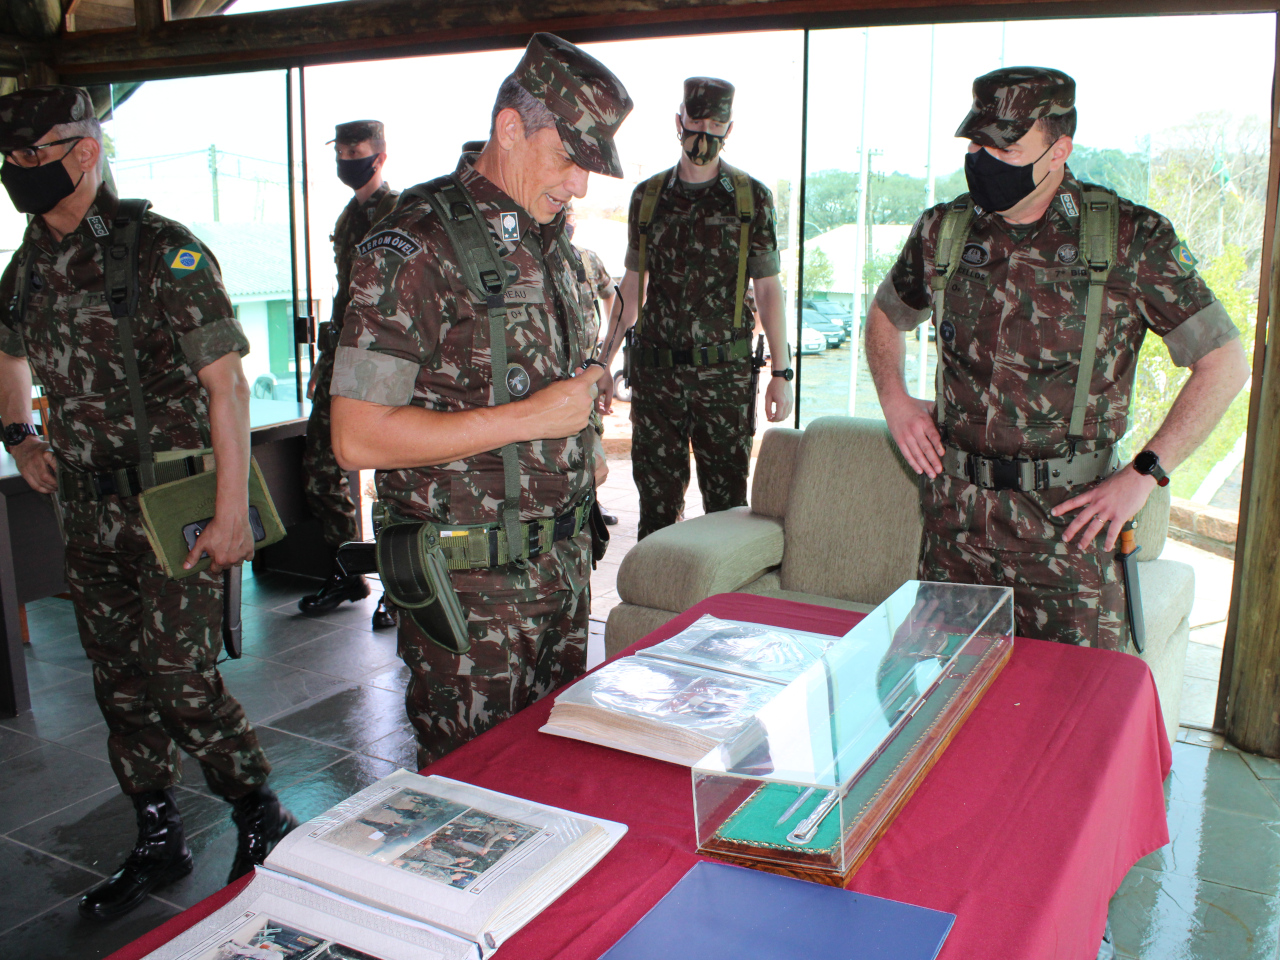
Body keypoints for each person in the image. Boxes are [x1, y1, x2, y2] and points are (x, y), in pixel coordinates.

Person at [0, 85, 296, 920]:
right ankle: (158, 835)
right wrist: (21, 436)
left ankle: (260, 810)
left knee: (182, 681)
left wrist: (234, 508)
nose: (18, 171)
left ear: (84, 152)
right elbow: (7, 354)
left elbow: (227, 385)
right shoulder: (27, 264)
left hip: (176, 506)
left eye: (33, 154)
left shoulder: (161, 252)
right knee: (121, 685)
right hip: (87, 514)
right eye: (10, 159)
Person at [865, 66, 1250, 653]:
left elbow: (1225, 361)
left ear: (1059, 149)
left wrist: (1145, 473)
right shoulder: (943, 230)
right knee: (940, 715)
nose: (984, 157)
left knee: (1071, 723)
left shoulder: (1128, 238)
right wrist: (894, 399)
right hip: (955, 531)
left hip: (1068, 541)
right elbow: (886, 316)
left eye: (1006, 145)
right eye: (976, 143)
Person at [329, 33, 631, 766]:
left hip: (560, 575)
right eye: (569, 159)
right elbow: (357, 437)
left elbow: (544, 384)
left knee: (556, 786)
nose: (581, 185)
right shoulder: (415, 242)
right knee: (473, 804)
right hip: (470, 595)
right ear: (509, 129)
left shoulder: (552, 241)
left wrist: (578, 437)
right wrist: (538, 418)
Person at [597, 77, 794, 541]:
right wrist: (601, 364)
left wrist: (781, 375)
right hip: (656, 381)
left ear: (730, 129)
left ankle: (720, 612)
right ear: (678, 121)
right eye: (696, 121)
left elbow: (768, 291)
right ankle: (659, 611)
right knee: (656, 517)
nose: (703, 133)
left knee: (726, 516)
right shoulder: (648, 198)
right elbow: (631, 288)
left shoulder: (750, 198)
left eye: (715, 123)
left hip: (724, 381)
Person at [298, 120, 400, 628]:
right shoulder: (346, 217)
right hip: (341, 360)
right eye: (339, 149)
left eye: (355, 149)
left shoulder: (401, 211)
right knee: (321, 470)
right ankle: (347, 571)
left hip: (383, 363)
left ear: (379, 156)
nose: (345, 158)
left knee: (393, 477)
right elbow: (342, 301)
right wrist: (323, 361)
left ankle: (401, 586)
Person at [565, 205, 619, 526]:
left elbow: (612, 296)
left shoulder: (588, 260)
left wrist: (605, 356)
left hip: (589, 366)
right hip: (557, 372)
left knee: (592, 435)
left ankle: (591, 504)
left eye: (571, 215)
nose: (567, 222)